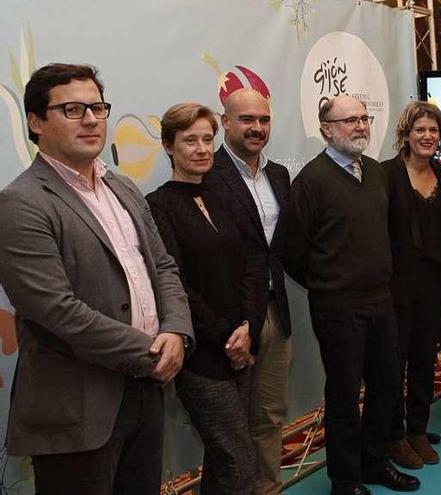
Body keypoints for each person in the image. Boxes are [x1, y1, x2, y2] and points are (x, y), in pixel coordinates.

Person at [0, 63, 193, 494]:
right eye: (71, 109)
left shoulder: (123, 188)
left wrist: (177, 331)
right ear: (35, 121)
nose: (91, 119)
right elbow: (56, 311)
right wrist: (153, 351)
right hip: (78, 406)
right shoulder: (20, 203)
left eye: (98, 107)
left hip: (146, 390)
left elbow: (162, 266)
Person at [285, 95, 419, 495]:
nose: (361, 126)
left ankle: (374, 463)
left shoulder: (377, 173)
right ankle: (345, 479)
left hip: (380, 300)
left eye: (364, 118)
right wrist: (331, 283)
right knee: (344, 393)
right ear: (326, 129)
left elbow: (390, 235)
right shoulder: (311, 180)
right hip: (337, 306)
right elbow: (293, 252)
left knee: (386, 385)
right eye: (349, 120)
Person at [146, 103, 261, 494]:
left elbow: (250, 263)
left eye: (207, 139)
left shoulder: (223, 194)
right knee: (237, 457)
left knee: (224, 457)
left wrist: (248, 327)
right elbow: (174, 283)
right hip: (203, 355)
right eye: (189, 140)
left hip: (242, 345)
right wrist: (228, 337)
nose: (201, 148)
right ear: (168, 146)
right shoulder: (158, 205)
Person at [203, 88, 292, 495]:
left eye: (264, 120)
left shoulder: (279, 175)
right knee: (230, 428)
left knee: (270, 415)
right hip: (231, 320)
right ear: (225, 122)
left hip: (276, 309)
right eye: (246, 120)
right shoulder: (208, 174)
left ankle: (268, 489)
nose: (257, 128)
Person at [381, 101, 441, 469]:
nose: (427, 136)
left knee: (425, 358)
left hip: (435, 285)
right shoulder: (385, 174)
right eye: (420, 129)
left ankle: (417, 429)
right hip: (394, 288)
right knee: (394, 364)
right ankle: (394, 437)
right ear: (406, 135)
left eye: (433, 130)